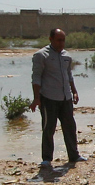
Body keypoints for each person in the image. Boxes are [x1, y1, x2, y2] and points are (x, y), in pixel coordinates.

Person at [31, 27, 84, 169]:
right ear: (51, 39)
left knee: (70, 127)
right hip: (49, 98)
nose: (61, 43)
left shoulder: (66, 56)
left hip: (65, 97)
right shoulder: (41, 55)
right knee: (49, 128)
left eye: (63, 40)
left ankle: (74, 155)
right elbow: (36, 77)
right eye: (58, 40)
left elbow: (69, 75)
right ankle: (47, 159)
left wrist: (74, 91)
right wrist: (36, 98)